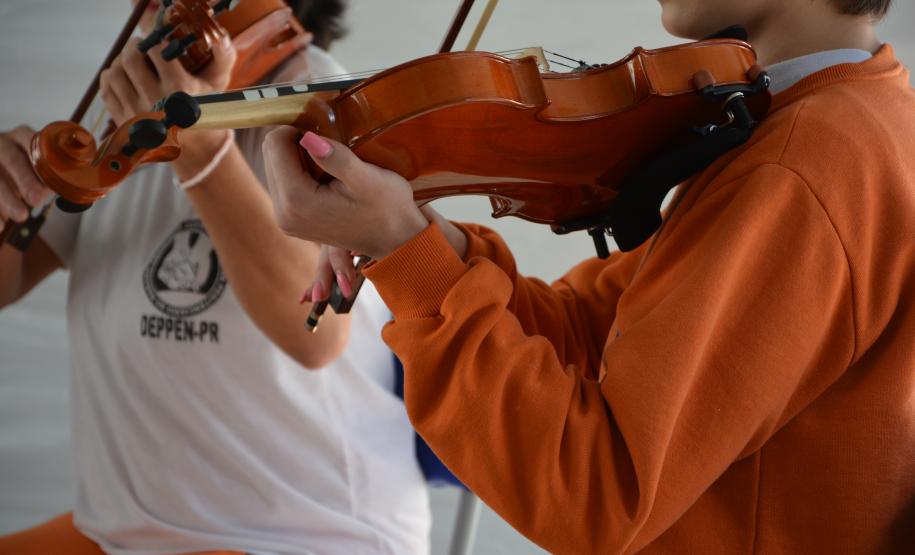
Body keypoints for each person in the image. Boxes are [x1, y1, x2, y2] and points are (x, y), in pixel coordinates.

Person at [260, 0, 915, 552]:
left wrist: (406, 252)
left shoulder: (800, 166)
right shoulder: (850, 119)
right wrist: (417, 242)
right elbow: (591, 336)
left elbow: (599, 492)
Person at [0, 1, 430, 553]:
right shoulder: (132, 98)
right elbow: (10, 279)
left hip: (304, 536)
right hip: (122, 533)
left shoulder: (329, 109)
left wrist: (202, 153)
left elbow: (314, 333)